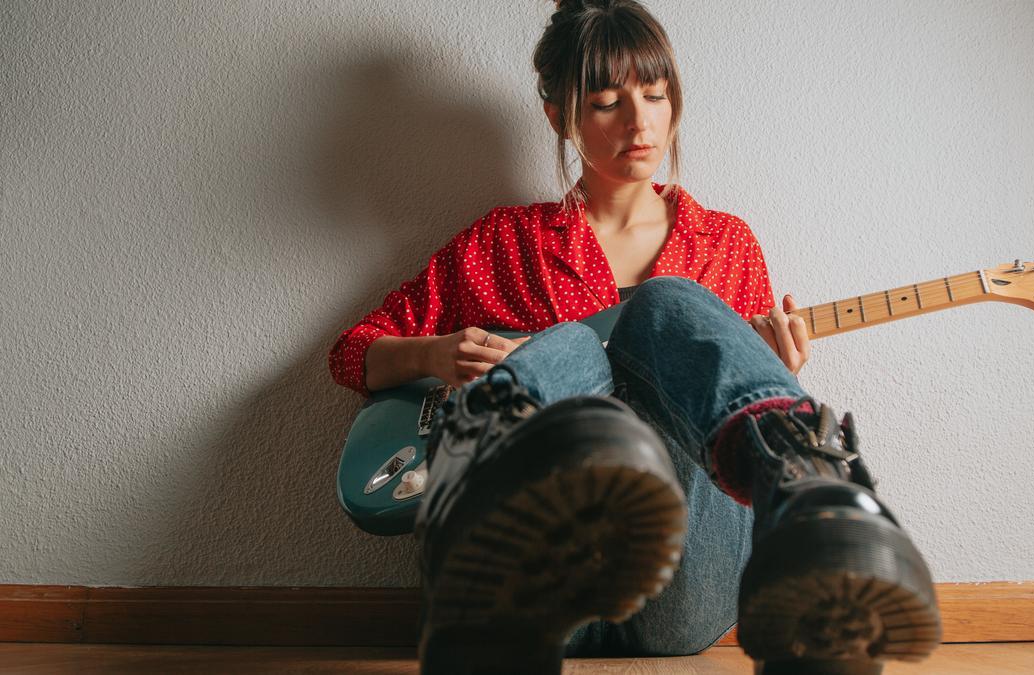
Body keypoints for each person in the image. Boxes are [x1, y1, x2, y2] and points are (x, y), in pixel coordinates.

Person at [328, 1, 941, 673]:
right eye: (607, 101)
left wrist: (779, 376)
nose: (640, 120)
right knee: (571, 348)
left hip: (681, 590)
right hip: (535, 578)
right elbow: (354, 350)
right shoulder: (504, 243)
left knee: (667, 303)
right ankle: (487, 484)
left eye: (655, 95)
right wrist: (433, 352)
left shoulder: (725, 245)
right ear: (558, 115)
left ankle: (812, 505)